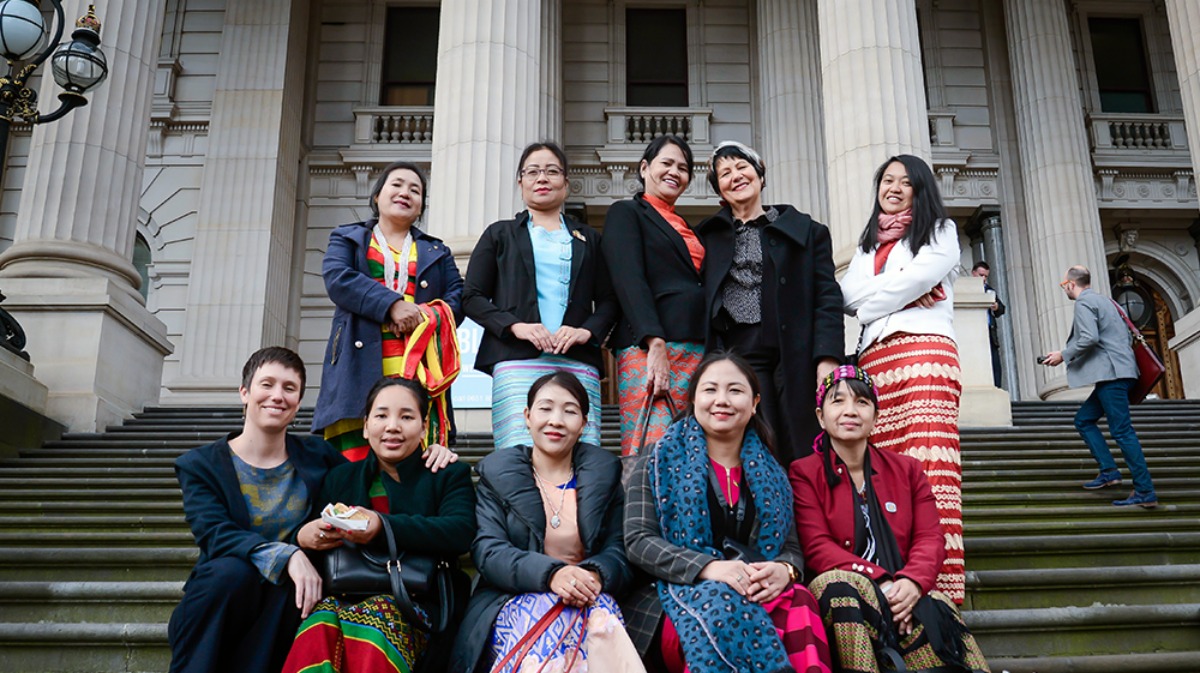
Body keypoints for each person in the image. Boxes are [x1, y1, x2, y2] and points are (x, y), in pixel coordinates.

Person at [623, 351, 832, 673]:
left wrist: (784, 571)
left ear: (755, 402)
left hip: (756, 587)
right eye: (710, 390)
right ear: (693, 399)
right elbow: (638, 540)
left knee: (801, 600)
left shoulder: (773, 473)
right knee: (719, 601)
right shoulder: (656, 460)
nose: (722, 400)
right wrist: (707, 568)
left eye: (735, 390)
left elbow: (790, 547)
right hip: (678, 594)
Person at [791, 365, 991, 673]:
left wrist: (911, 582)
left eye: (861, 402)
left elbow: (930, 538)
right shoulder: (804, 472)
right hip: (843, 592)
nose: (850, 411)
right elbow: (817, 547)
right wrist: (880, 580)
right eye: (838, 401)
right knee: (838, 585)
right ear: (821, 416)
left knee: (936, 602)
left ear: (876, 416)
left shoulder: (907, 469)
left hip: (902, 591)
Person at [168, 347, 346, 673]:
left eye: (289, 388)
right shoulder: (200, 465)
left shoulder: (319, 456)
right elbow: (214, 534)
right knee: (231, 573)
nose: (277, 396)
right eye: (267, 384)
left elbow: (369, 480)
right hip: (223, 599)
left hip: (287, 604)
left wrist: (427, 452)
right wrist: (289, 554)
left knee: (293, 589)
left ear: (298, 402)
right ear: (245, 392)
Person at [450, 371, 641, 673]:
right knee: (542, 612)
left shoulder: (604, 477)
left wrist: (593, 574)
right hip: (511, 598)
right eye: (545, 408)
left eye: (569, 411)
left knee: (599, 618)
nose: (556, 420)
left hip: (588, 595)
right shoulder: (497, 476)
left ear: (584, 424)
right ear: (527, 416)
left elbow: (620, 548)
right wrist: (552, 575)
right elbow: (489, 551)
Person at [282, 377, 477, 673]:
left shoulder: (446, 474)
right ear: (365, 425)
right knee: (318, 625)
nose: (392, 427)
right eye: (381, 415)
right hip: (346, 593)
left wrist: (383, 526)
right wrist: (305, 537)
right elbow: (314, 540)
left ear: (424, 427)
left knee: (376, 621)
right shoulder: (341, 478)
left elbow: (461, 531)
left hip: (420, 602)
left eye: (407, 417)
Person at [839, 154, 965, 604]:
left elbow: (918, 280)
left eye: (905, 181)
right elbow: (849, 294)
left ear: (920, 189)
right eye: (887, 180)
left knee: (930, 469)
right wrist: (897, 294)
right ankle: (892, 580)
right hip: (876, 360)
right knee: (884, 473)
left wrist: (875, 302)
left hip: (925, 352)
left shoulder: (940, 231)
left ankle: (937, 588)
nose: (893, 187)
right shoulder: (870, 242)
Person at [464, 141, 618, 449]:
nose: (542, 178)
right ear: (520, 182)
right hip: (516, 360)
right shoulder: (500, 234)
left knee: (582, 454)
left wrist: (585, 332)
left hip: (576, 360)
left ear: (566, 183)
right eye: (532, 172)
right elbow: (471, 296)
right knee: (517, 455)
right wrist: (514, 326)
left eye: (552, 171)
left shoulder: (589, 239)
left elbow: (610, 300)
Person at [697, 141, 843, 464]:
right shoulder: (706, 237)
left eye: (742, 167)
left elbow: (827, 296)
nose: (735, 176)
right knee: (756, 444)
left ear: (760, 175)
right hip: (740, 355)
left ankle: (808, 512)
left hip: (796, 352)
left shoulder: (807, 231)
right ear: (720, 190)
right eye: (725, 173)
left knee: (805, 443)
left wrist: (827, 357)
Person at [312, 160, 464, 460]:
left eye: (415, 190)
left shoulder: (438, 251)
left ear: (420, 207)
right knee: (355, 466)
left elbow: (457, 297)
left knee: (412, 461)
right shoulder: (348, 238)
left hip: (418, 370)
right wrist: (391, 306)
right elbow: (338, 279)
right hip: (359, 368)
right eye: (396, 185)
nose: (405, 193)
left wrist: (421, 316)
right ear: (377, 196)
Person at [603, 135, 707, 457]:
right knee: (654, 444)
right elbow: (629, 280)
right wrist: (655, 342)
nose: (675, 171)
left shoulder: (687, 226)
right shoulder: (626, 213)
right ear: (645, 167)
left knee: (694, 446)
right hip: (649, 347)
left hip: (697, 350)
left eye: (684, 168)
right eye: (667, 163)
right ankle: (645, 508)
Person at [1041, 265, 1157, 508]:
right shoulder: (1107, 302)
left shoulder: (1084, 303)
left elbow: (1089, 338)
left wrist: (1063, 354)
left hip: (1113, 375)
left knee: (1122, 432)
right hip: (1119, 373)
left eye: (1064, 286)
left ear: (1071, 284)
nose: (1065, 290)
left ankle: (1145, 491)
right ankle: (1109, 471)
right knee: (1084, 420)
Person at [972, 261, 1006, 388]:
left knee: (994, 364)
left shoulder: (989, 290)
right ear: (973, 274)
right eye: (981, 275)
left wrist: (996, 307)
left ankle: (996, 387)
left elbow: (1002, 309)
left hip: (989, 332)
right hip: (973, 332)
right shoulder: (966, 289)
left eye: (985, 276)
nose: (983, 279)